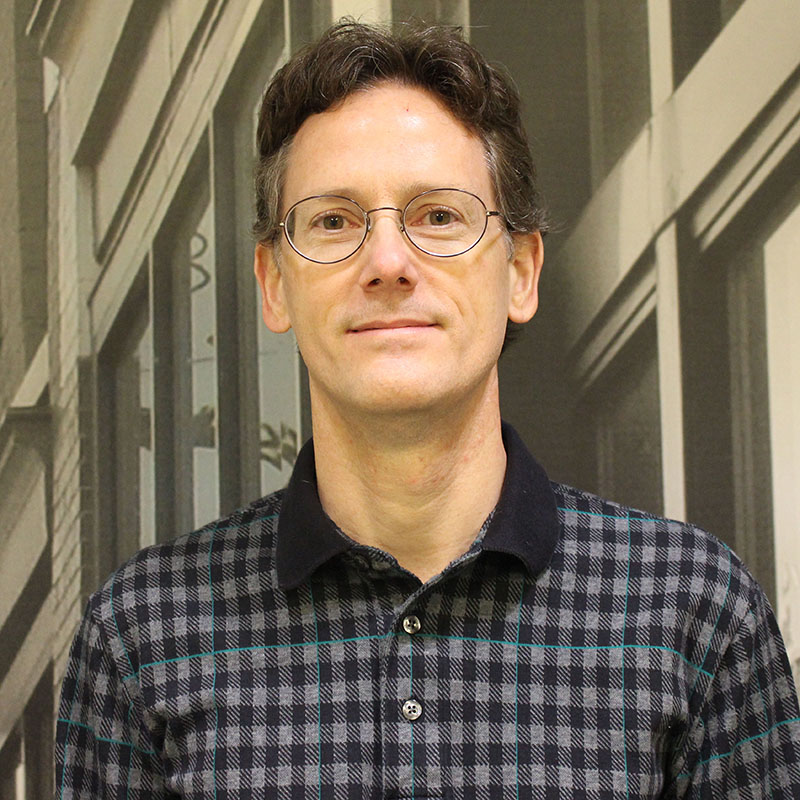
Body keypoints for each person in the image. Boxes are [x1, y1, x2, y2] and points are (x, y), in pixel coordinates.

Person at [55, 20, 800, 798]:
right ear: (274, 283)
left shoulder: (694, 615)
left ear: (521, 271)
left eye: (437, 216)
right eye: (334, 222)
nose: (386, 263)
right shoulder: (142, 638)